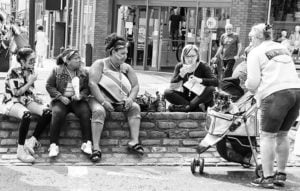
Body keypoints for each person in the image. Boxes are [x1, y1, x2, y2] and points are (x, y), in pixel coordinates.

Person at [246, 23, 300, 188]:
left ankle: (267, 177)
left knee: (268, 136)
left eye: (251, 37)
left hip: (276, 95)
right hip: (296, 92)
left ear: (259, 37)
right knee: (283, 135)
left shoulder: (255, 52)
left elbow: (253, 83)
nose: (250, 41)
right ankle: (281, 174)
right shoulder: (281, 48)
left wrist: (247, 84)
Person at [88, 33, 144, 162]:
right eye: (122, 53)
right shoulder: (100, 64)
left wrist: (130, 99)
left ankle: (134, 141)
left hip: (120, 101)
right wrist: (102, 101)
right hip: (98, 99)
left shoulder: (126, 67)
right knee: (99, 111)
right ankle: (96, 147)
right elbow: (92, 83)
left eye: (126, 53)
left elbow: (135, 86)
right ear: (113, 51)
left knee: (135, 108)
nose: (125, 56)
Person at [1, 48, 52, 163]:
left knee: (48, 111)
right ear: (22, 61)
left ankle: (31, 141)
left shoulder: (30, 70)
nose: (33, 63)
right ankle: (20, 151)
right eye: (31, 60)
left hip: (25, 100)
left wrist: (36, 98)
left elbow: (29, 91)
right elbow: (16, 92)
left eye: (34, 60)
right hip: (12, 101)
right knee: (26, 115)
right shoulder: (14, 70)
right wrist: (30, 81)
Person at [46, 49, 92, 157]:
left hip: (76, 100)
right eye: (75, 58)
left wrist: (81, 96)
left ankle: (87, 143)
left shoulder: (84, 72)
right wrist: (60, 97)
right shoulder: (57, 71)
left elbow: (87, 89)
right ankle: (53, 144)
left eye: (79, 58)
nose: (79, 60)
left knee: (85, 112)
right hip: (61, 100)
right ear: (67, 61)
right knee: (57, 114)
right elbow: (49, 86)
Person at [164, 44, 218, 112]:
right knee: (167, 92)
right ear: (183, 57)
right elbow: (172, 84)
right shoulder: (180, 66)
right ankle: (195, 108)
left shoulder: (203, 66)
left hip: (200, 97)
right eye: (187, 56)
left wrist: (200, 80)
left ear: (197, 56)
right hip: (186, 97)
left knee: (211, 89)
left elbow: (216, 82)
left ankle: (187, 108)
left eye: (192, 56)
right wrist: (180, 76)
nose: (190, 59)